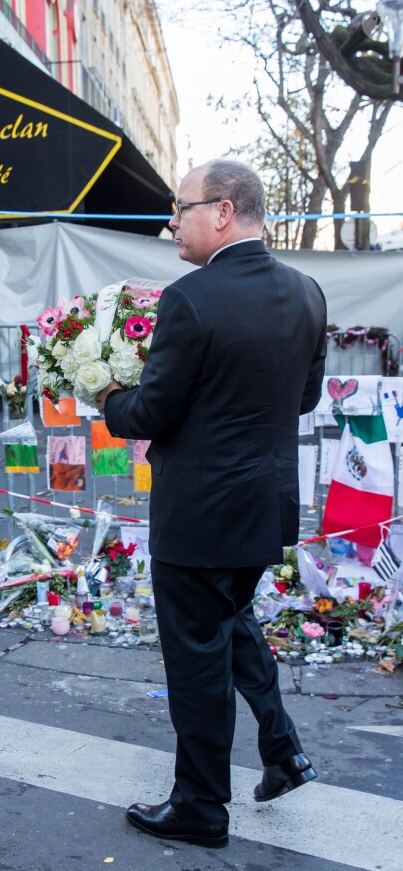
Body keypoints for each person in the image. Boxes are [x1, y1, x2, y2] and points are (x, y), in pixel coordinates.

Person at [95, 159, 327, 849]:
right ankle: (283, 750)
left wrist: (105, 394)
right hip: (266, 507)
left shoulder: (191, 299)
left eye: (181, 207)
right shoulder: (308, 292)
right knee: (230, 621)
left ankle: (200, 804)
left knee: (197, 655)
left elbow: (151, 411)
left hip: (197, 513)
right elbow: (305, 399)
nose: (172, 221)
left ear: (223, 211)